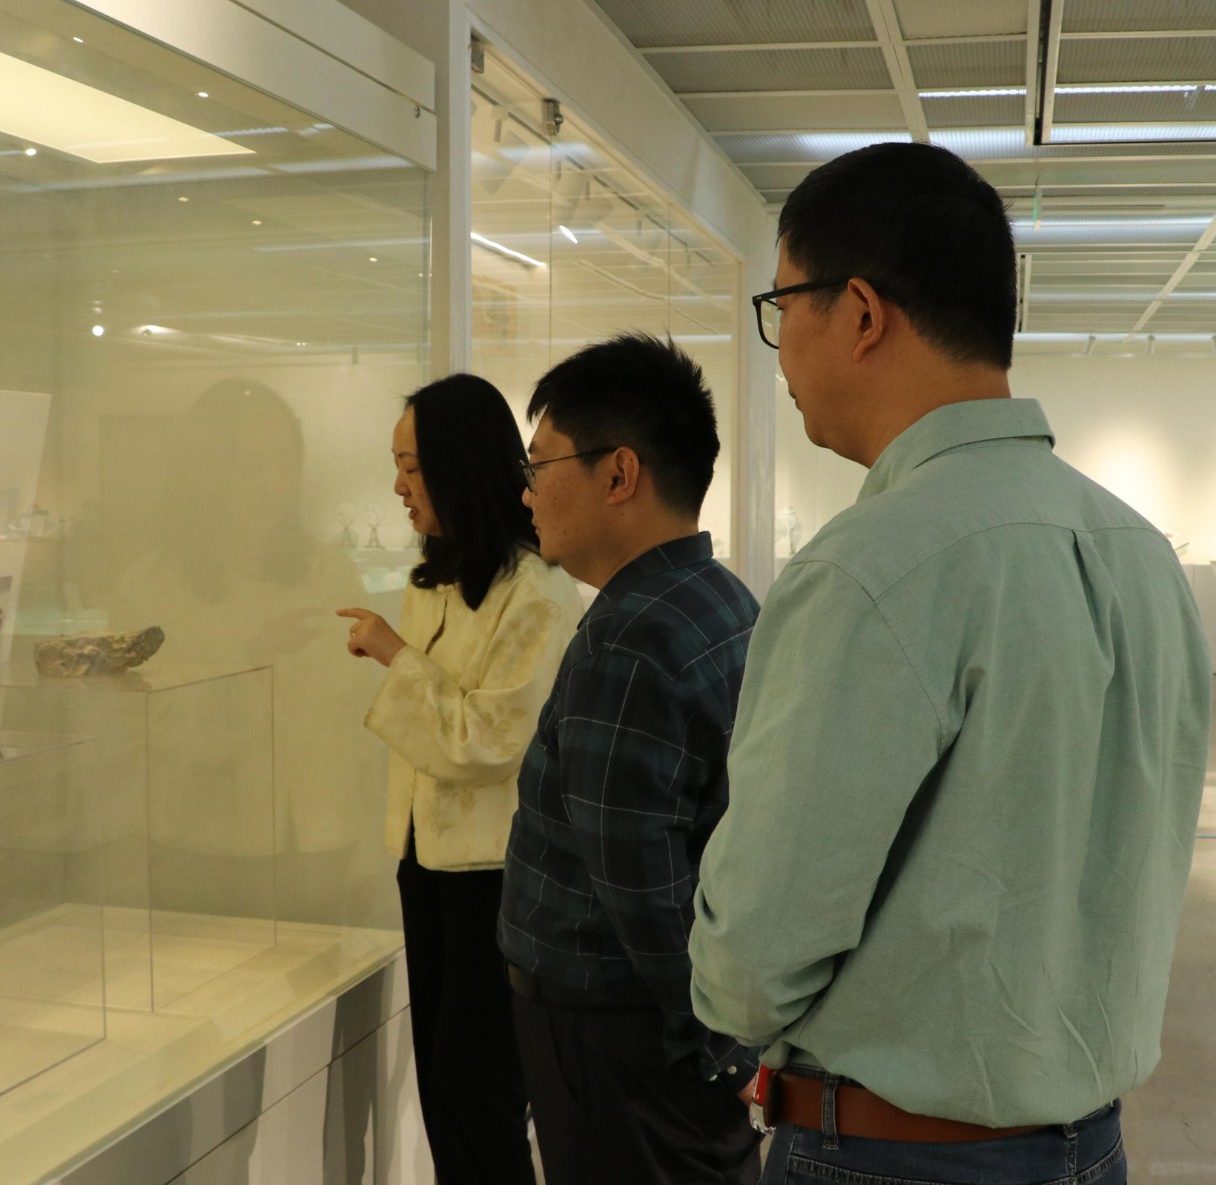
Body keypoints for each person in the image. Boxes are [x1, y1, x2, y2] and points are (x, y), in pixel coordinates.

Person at [689, 142, 1211, 1185]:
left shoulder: (868, 566)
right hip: (1089, 1145)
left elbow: (756, 953)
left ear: (860, 313)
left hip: (889, 1153)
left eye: (783, 306)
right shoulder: (1141, 554)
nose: (779, 353)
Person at [496, 334, 762, 1185]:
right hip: (665, 1031)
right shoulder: (719, 596)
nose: (526, 491)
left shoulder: (630, 639)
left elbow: (644, 890)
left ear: (618, 474)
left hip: (621, 1041)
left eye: (539, 465)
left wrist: (717, 1050)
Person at [337, 373, 582, 1184]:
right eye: (397, 466)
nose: (398, 487)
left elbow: (489, 740)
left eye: (411, 467)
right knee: (447, 1094)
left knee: (478, 1096)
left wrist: (394, 656)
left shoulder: (538, 591)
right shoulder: (433, 584)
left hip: (496, 876)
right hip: (427, 864)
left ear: (459, 466)